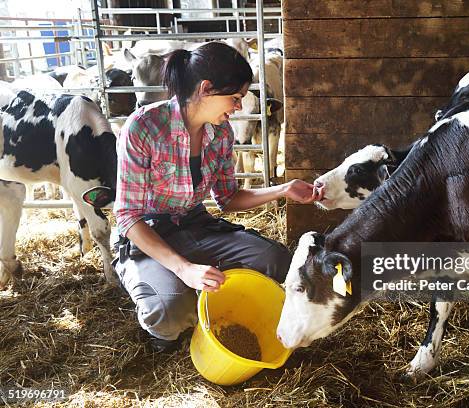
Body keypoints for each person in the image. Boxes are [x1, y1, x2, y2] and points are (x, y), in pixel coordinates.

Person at [113, 42, 323, 352]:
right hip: (147, 236)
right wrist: (183, 268)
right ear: (206, 89)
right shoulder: (143, 127)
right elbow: (128, 216)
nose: (239, 107)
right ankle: (158, 310)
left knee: (279, 261)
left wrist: (283, 189)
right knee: (169, 311)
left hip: (196, 226)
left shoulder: (221, 134)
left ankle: (195, 283)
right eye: (235, 98)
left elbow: (228, 198)